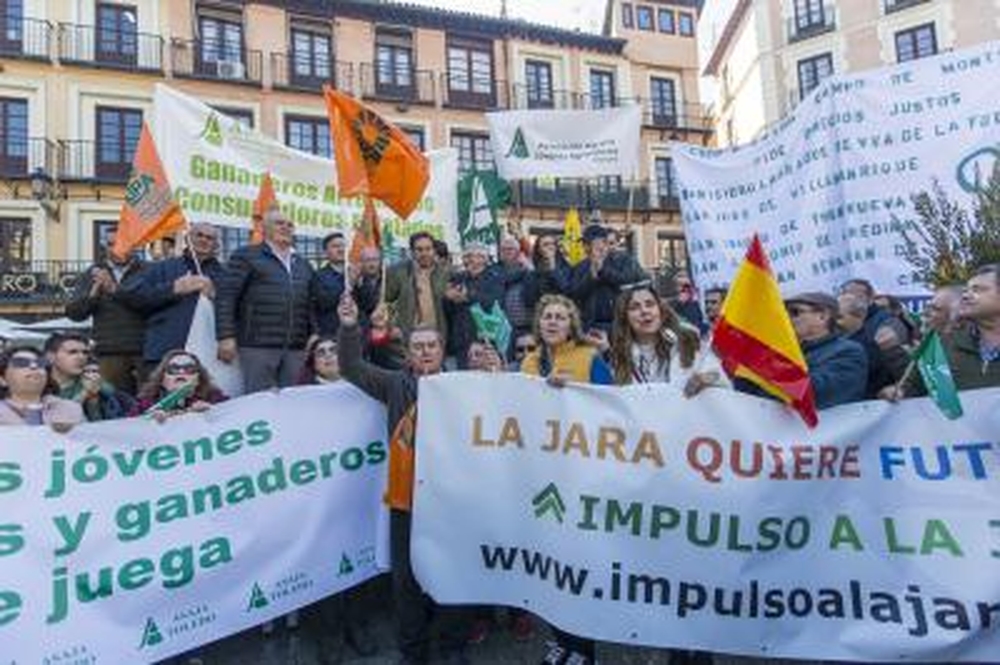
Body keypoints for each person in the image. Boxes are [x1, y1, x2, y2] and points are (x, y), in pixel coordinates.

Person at [337, 292, 468, 665]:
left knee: (453, 574)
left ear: (442, 350)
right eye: (417, 347)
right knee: (406, 583)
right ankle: (413, 653)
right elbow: (351, 367)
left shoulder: (466, 386)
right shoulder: (394, 384)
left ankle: (452, 648)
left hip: (452, 500)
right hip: (405, 498)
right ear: (407, 353)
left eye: (431, 346)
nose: (425, 352)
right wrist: (349, 326)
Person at [519, 294, 610, 665]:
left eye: (560, 317)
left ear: (571, 324)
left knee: (578, 565)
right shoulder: (528, 361)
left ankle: (585, 649)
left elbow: (614, 406)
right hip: (542, 476)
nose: (553, 322)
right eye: (547, 317)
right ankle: (561, 640)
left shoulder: (590, 358)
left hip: (582, 475)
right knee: (549, 564)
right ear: (539, 324)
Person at [215, 205, 318, 393]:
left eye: (290, 224)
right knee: (258, 402)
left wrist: (314, 332)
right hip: (257, 347)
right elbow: (226, 297)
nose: (286, 227)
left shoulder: (303, 264)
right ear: (264, 228)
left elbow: (310, 303)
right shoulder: (245, 255)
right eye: (279, 223)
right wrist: (225, 336)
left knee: (294, 402)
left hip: (296, 348)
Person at [120, 222, 224, 374]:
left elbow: (238, 311)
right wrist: (173, 289)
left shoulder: (226, 274)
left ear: (216, 245)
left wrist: (215, 296)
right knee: (160, 397)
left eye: (210, 238)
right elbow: (131, 297)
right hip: (165, 351)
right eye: (199, 235)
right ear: (188, 239)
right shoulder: (161, 268)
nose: (204, 240)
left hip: (210, 352)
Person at [887, 264, 1000, 397]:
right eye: (966, 290)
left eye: (977, 290)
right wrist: (896, 392)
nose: (965, 296)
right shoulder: (942, 341)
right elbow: (914, 386)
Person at [609, 283, 728, 395]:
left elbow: (722, 383)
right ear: (624, 317)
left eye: (650, 304)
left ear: (660, 310)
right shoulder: (619, 356)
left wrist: (706, 379)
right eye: (634, 307)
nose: (644, 311)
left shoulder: (688, 342)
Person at [65, 229, 145, 394]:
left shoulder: (149, 270)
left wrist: (114, 289)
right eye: (110, 244)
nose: (116, 248)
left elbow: (154, 303)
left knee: (149, 405)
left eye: (122, 243)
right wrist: (94, 291)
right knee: (113, 403)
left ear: (133, 246)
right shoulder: (91, 273)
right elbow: (74, 314)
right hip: (109, 351)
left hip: (145, 349)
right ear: (104, 247)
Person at [781, 292, 868, 409]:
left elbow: (816, 393)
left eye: (795, 312)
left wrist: (769, 368)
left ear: (822, 317)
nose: (786, 317)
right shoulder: (786, 350)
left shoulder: (848, 351)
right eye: (783, 312)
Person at [566, 225, 646, 334]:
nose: (585, 247)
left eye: (589, 243)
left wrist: (603, 270)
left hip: (620, 323)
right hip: (590, 326)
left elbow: (628, 283)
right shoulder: (579, 267)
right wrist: (591, 277)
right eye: (584, 244)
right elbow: (574, 294)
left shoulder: (622, 260)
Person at [445, 243, 506, 367]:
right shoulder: (457, 278)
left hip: (485, 339)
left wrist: (468, 296)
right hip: (460, 339)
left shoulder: (495, 278)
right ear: (463, 259)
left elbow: (494, 303)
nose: (473, 260)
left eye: (479, 256)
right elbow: (448, 311)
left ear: (486, 259)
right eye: (468, 256)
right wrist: (448, 298)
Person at [384, 231, 451, 344]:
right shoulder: (398, 272)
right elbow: (384, 301)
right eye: (419, 249)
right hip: (408, 337)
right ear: (412, 252)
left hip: (436, 338)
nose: (424, 253)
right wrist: (390, 326)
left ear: (434, 250)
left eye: (428, 249)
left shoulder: (446, 274)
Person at [838, 292, 908, 395]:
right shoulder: (831, 339)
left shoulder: (873, 346)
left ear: (859, 316)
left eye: (839, 317)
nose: (832, 321)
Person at [0, 346, 83, 428]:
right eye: (21, 363)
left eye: (40, 363)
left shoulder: (70, 408)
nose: (33, 367)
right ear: (3, 379)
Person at [131, 350, 226, 421]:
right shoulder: (145, 404)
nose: (181, 372)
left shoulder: (215, 399)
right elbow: (129, 432)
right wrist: (148, 422)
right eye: (174, 369)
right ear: (162, 379)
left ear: (198, 378)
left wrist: (213, 412)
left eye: (189, 369)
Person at [497, 236, 534, 337]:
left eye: (510, 249)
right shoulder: (495, 270)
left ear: (518, 252)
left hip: (528, 326)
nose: (507, 252)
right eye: (503, 249)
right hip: (504, 328)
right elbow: (503, 281)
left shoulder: (530, 269)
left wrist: (529, 269)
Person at [315, 232, 348, 336]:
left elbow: (368, 303)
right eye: (335, 246)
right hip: (331, 333)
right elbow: (324, 302)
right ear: (326, 252)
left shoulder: (358, 272)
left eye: (343, 246)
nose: (341, 250)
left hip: (356, 334)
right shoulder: (318, 276)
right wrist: (349, 283)